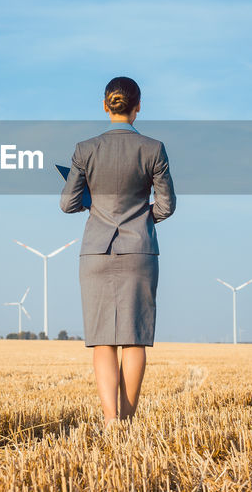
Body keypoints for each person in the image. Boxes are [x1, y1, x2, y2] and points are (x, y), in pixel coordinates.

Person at [60, 76, 175, 427]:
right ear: (138, 106)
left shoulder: (84, 149)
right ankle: (127, 418)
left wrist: (93, 208)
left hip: (95, 252)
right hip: (139, 251)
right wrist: (141, 218)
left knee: (103, 341)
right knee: (134, 338)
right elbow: (167, 206)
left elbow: (67, 204)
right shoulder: (154, 149)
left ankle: (110, 420)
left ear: (106, 106)